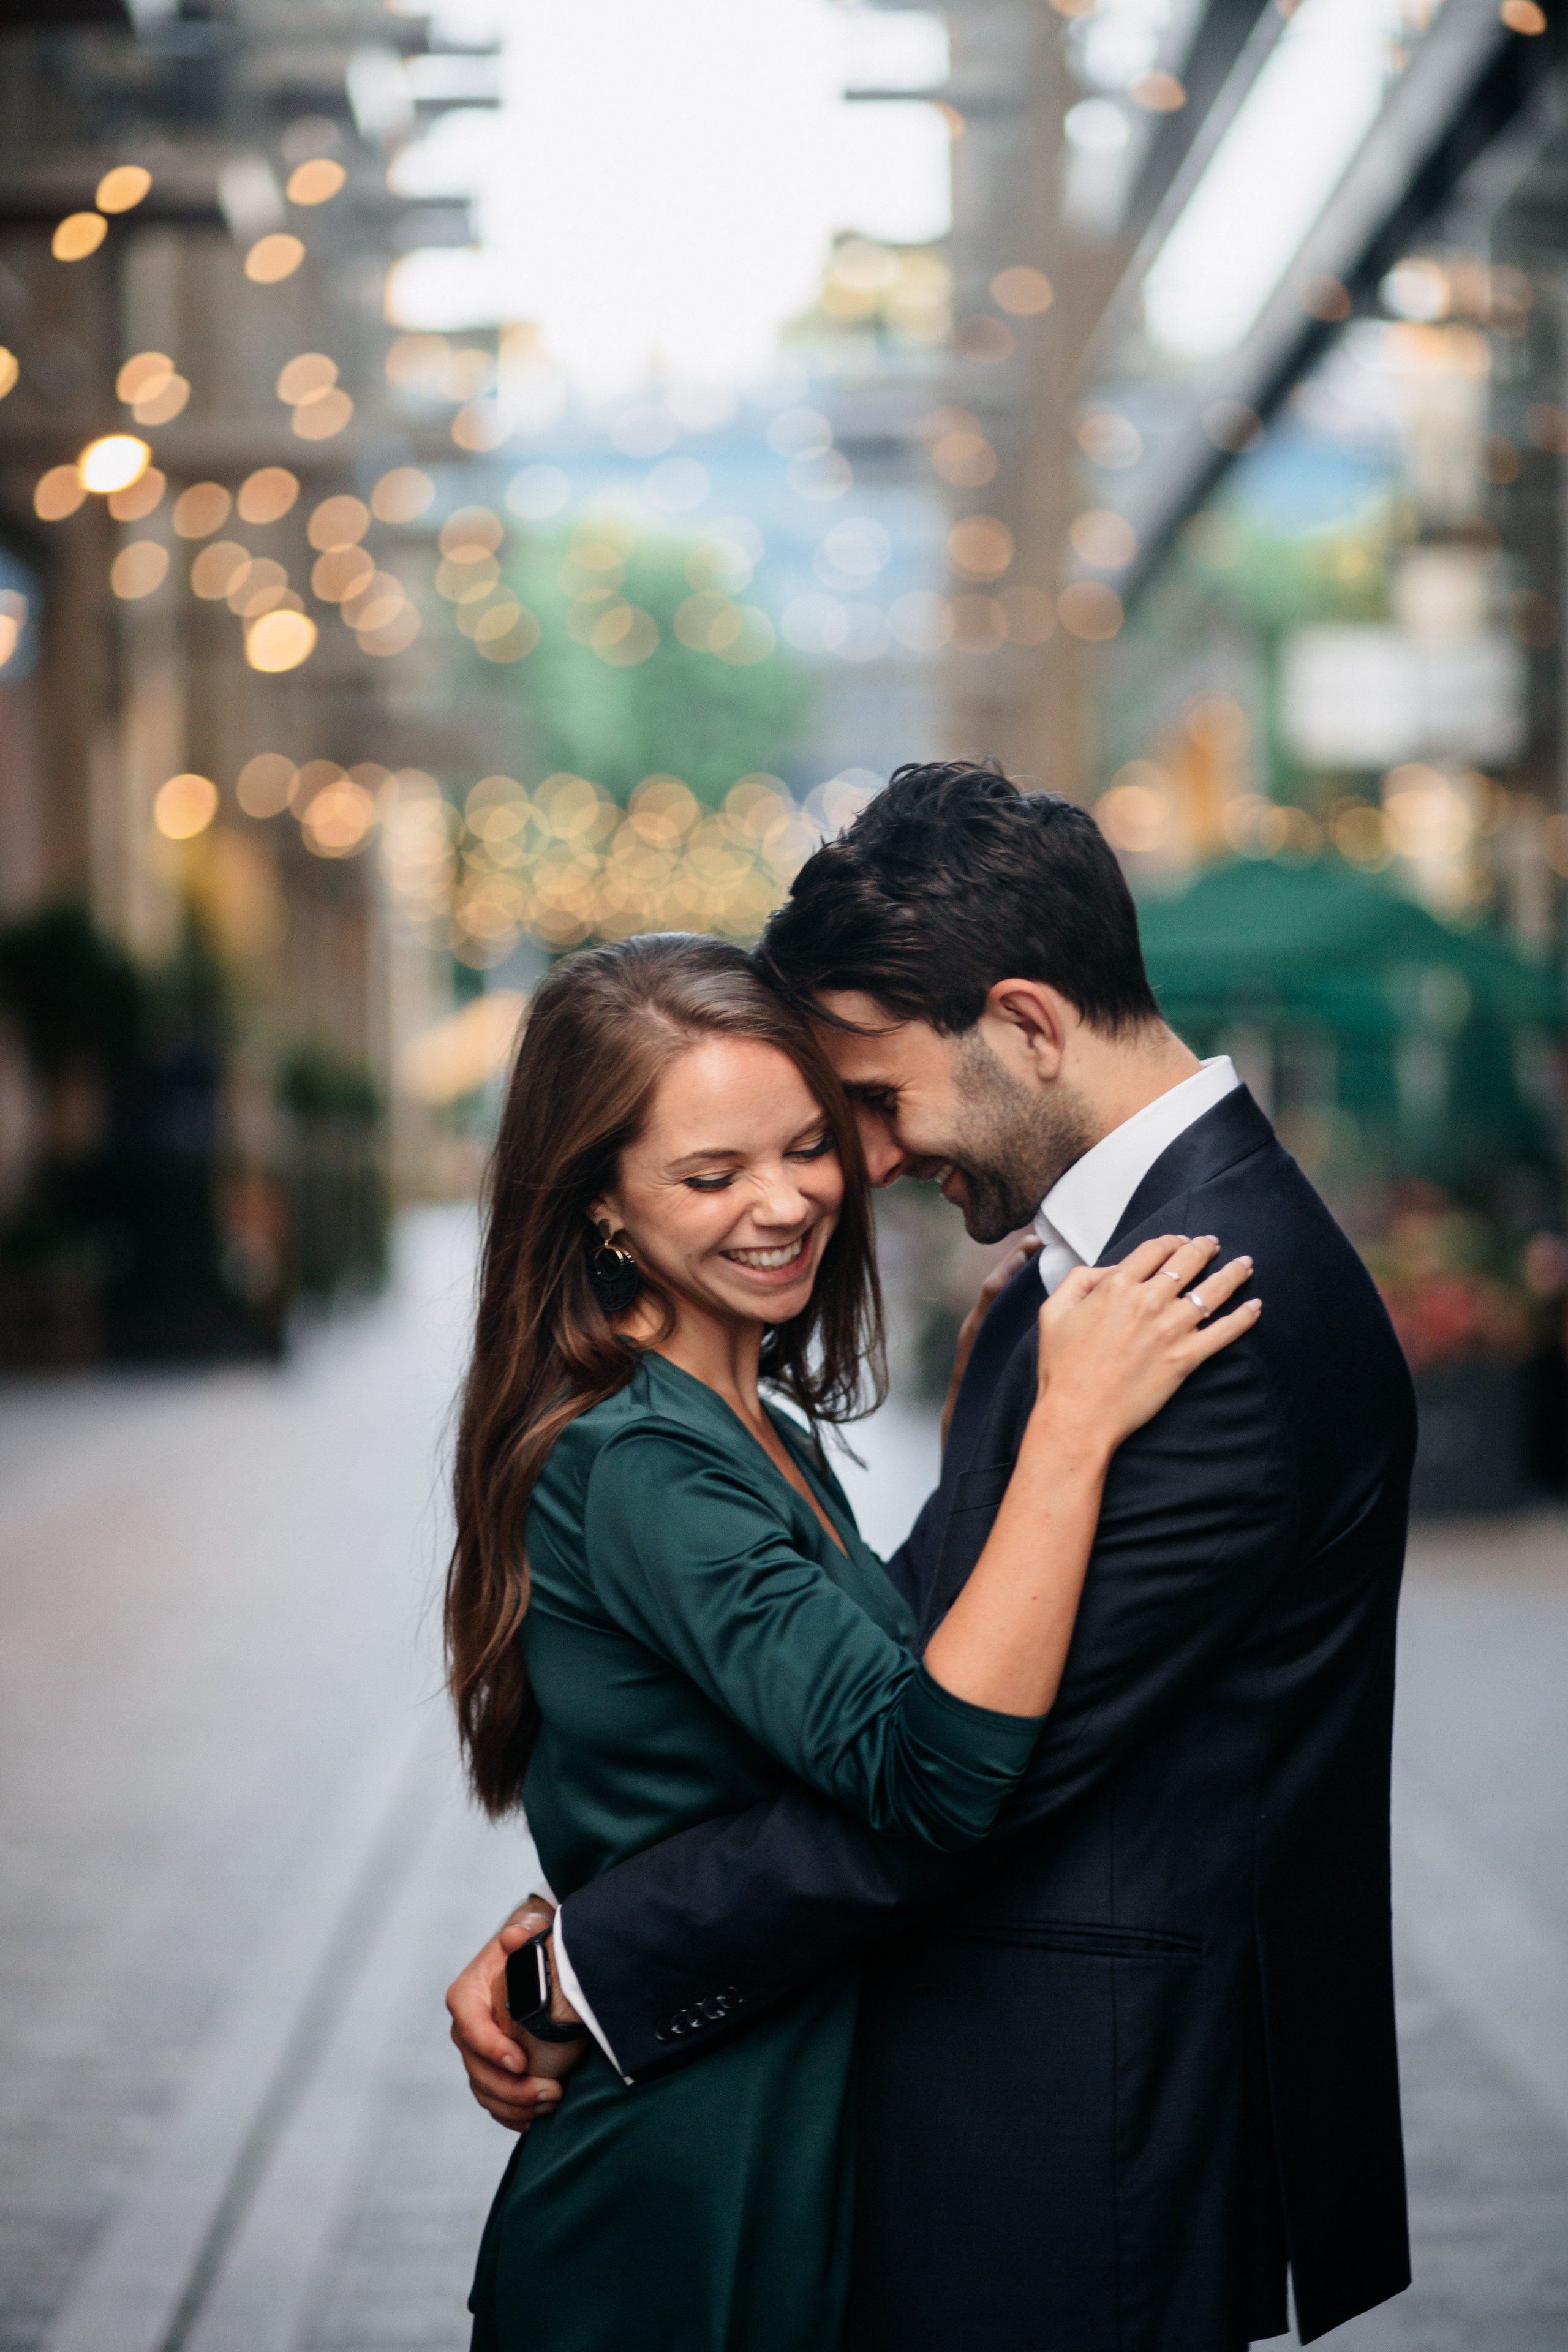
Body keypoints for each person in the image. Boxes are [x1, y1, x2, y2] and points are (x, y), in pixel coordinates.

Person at [449, 765, 1417, 2351]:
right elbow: (903, 1664)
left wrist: (590, 1970)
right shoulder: (1079, 1282)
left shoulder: (1206, 1305)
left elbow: (960, 1776)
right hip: (918, 2133)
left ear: (1027, 1024)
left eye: (870, 1106)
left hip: (1072, 2124)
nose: (863, 1166)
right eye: (723, 1166)